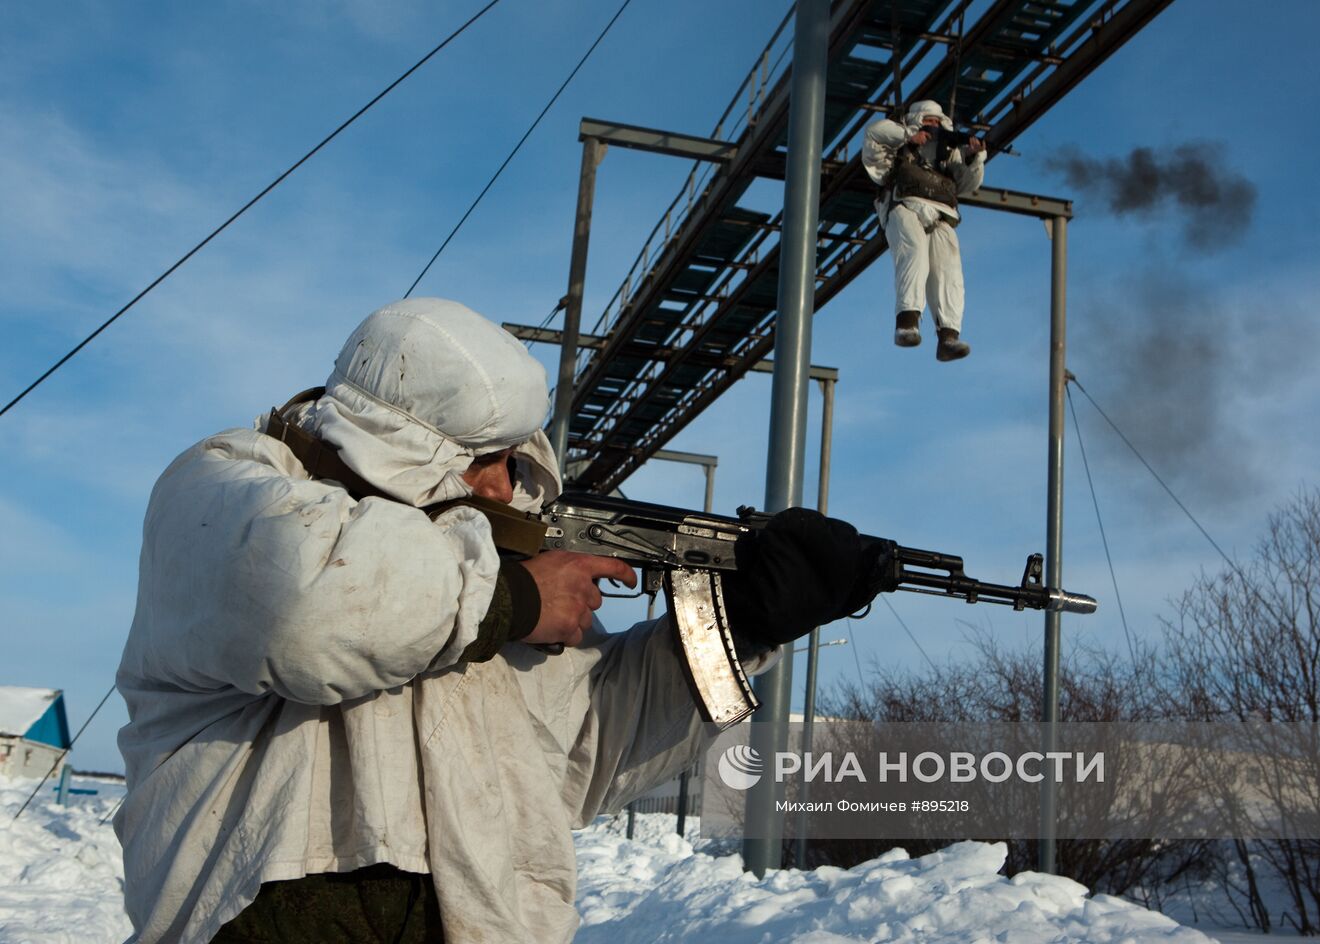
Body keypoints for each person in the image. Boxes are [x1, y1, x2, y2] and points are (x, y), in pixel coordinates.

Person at [114, 297, 879, 944]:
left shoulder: (478, 579)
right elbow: (307, 608)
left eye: (513, 459)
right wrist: (514, 600)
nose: (501, 486)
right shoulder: (226, 484)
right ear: (399, 443)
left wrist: (743, 625)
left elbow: (588, 747)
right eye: (483, 457)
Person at [861, 99, 986, 358]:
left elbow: (966, 183)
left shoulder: (948, 153)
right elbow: (873, 134)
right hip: (904, 205)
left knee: (949, 269)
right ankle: (907, 322)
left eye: (937, 122)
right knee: (914, 252)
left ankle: (948, 336)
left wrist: (975, 158)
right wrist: (909, 136)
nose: (933, 125)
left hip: (941, 214)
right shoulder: (898, 143)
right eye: (928, 120)